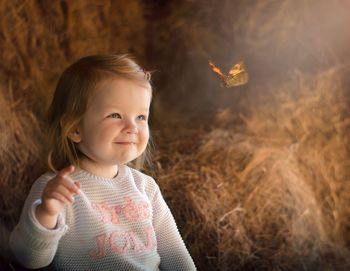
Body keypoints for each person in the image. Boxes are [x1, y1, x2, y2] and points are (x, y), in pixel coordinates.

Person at [9, 54, 197, 271]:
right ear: (75, 129)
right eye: (115, 115)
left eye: (141, 117)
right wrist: (47, 214)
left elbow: (176, 255)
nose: (132, 127)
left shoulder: (146, 187)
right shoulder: (56, 190)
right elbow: (29, 260)